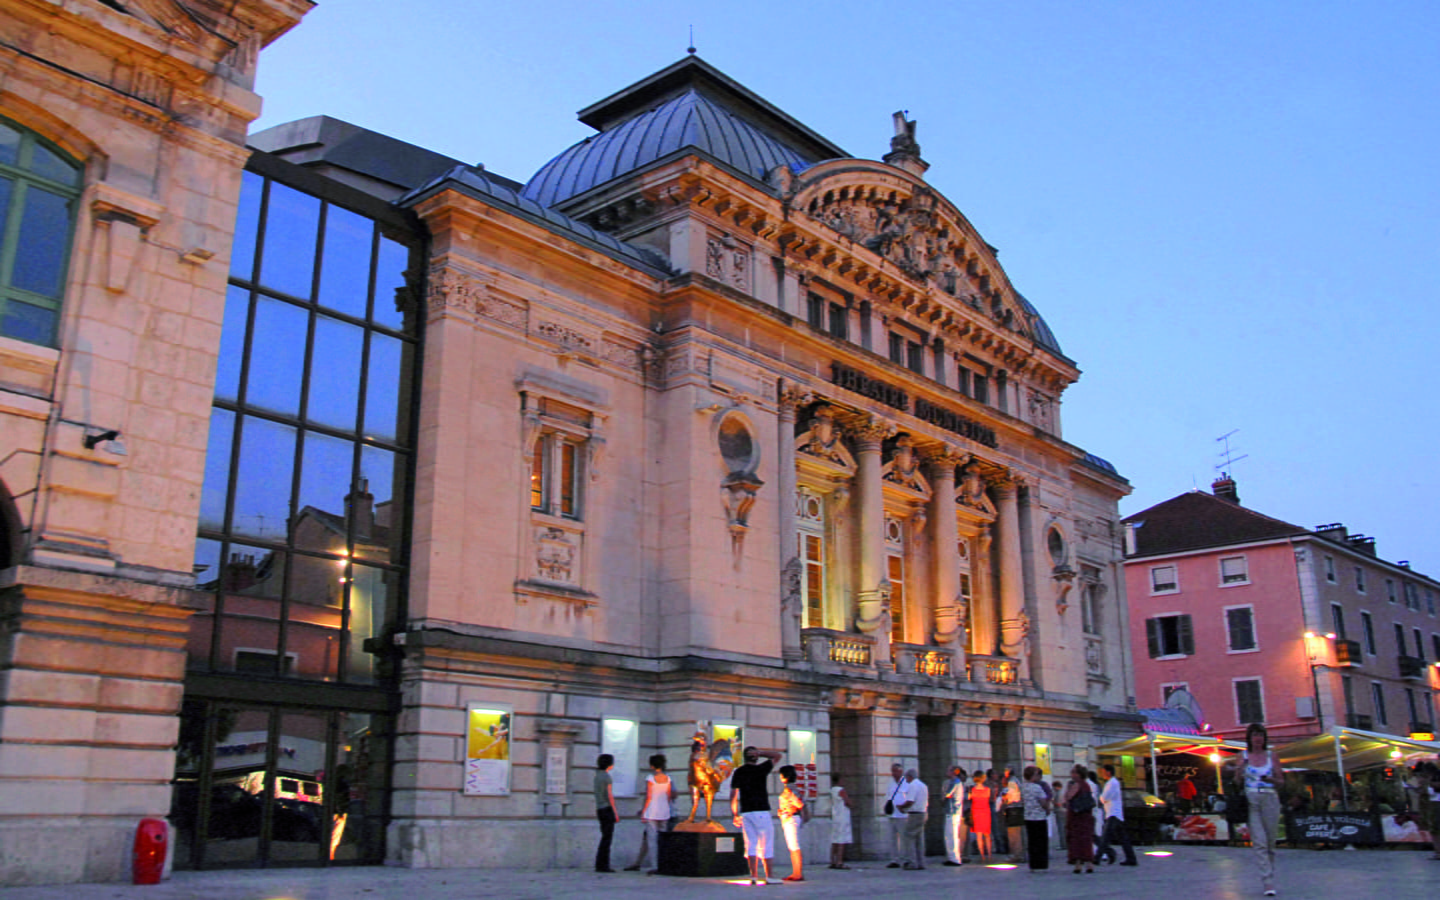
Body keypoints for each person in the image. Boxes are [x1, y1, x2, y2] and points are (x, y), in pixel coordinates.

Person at [1225, 723, 1281, 896]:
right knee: (1260, 842)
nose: (1258, 739)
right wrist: (1239, 772)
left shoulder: (1272, 756)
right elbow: (1236, 783)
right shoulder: (1243, 756)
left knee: (1271, 841)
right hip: (1251, 798)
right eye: (1254, 735)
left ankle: (1269, 873)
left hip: (1270, 797)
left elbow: (1281, 782)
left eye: (1260, 735)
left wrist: (1271, 779)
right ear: (1249, 738)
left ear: (1264, 739)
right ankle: (1267, 881)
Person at [730, 745, 784, 886]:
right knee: (766, 844)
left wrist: (735, 814)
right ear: (756, 757)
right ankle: (769, 875)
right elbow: (777, 755)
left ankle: (753, 875)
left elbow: (733, 794)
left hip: (746, 812)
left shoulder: (739, 771)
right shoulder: (761, 769)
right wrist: (761, 752)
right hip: (761, 810)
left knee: (751, 844)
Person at [625, 753, 675, 873]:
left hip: (652, 811)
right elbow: (668, 796)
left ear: (652, 766)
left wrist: (643, 812)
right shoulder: (668, 778)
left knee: (652, 839)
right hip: (664, 811)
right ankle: (664, 863)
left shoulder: (650, 778)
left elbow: (648, 796)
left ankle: (655, 866)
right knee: (662, 839)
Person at [1095, 763, 1137, 866]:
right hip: (1116, 814)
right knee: (1123, 838)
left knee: (1105, 837)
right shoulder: (1114, 783)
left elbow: (1105, 797)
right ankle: (1131, 858)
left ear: (1108, 772)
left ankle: (1097, 858)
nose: (1102, 774)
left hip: (1112, 814)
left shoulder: (1111, 783)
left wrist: (1101, 798)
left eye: (1103, 772)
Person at [1061, 765, 1096, 874]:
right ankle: (1089, 863)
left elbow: (1068, 798)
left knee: (1076, 840)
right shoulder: (1087, 785)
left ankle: (1078, 864)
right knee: (1086, 839)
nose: (1072, 775)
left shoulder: (1076, 785)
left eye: (1074, 773)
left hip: (1076, 816)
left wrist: (1067, 791)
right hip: (1086, 815)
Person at [777, 765, 808, 882]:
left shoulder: (789, 790)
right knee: (793, 846)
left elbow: (799, 803)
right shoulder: (793, 788)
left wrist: (788, 810)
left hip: (790, 819)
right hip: (791, 818)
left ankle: (798, 873)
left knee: (794, 846)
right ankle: (796, 872)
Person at [593, 754, 619, 873]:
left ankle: (600, 863)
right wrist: (615, 812)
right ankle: (604, 865)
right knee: (607, 838)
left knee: (604, 836)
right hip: (607, 808)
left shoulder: (597, 776)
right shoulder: (607, 777)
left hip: (599, 808)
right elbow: (609, 796)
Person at [898, 768, 929, 869]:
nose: (906, 779)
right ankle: (921, 862)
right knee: (919, 839)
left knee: (909, 837)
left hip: (915, 814)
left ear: (909, 776)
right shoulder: (923, 785)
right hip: (923, 813)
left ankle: (912, 862)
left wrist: (901, 807)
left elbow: (910, 801)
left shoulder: (912, 785)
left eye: (906, 777)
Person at [1022, 766, 1051, 871]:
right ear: (1033, 776)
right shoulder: (1037, 787)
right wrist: (1047, 809)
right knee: (1041, 841)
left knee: (1032, 841)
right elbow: (1043, 801)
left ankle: (1033, 863)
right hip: (1039, 817)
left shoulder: (1023, 787)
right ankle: (1041, 863)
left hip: (1028, 816)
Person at [883, 763, 909, 867]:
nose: (893, 773)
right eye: (892, 771)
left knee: (904, 838)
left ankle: (905, 858)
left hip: (902, 815)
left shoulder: (906, 783)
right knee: (892, 838)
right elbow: (888, 796)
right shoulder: (890, 783)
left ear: (901, 771)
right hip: (892, 814)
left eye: (895, 771)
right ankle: (894, 859)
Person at [943, 765, 969, 866]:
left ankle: (954, 858)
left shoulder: (955, 782)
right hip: (954, 811)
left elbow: (947, 794)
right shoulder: (957, 782)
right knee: (951, 835)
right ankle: (952, 857)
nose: (947, 772)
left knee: (951, 835)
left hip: (952, 811)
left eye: (949, 770)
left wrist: (943, 795)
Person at [828, 772, 853, 869]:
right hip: (842, 816)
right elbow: (848, 802)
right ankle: (839, 861)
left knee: (834, 839)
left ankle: (832, 860)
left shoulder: (832, 790)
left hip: (835, 816)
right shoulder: (841, 790)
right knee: (841, 840)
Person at [969, 769, 994, 862]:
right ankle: (990, 854)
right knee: (987, 834)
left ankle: (982, 855)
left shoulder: (973, 790)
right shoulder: (987, 790)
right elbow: (989, 798)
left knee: (979, 835)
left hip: (976, 812)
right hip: (985, 812)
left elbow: (969, 798)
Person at [1002, 767, 1025, 863]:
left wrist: (1004, 799)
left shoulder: (1011, 782)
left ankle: (1016, 855)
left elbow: (1009, 796)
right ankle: (1019, 853)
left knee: (1013, 833)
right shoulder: (1017, 780)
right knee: (1017, 832)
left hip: (1013, 809)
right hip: (1018, 808)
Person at [1051, 779, 1067, 852]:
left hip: (1060, 811)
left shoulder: (1059, 793)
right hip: (1065, 811)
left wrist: (1053, 802)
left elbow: (1058, 803)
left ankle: (1063, 844)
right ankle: (1066, 844)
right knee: (1065, 828)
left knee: (1061, 828)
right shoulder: (1064, 791)